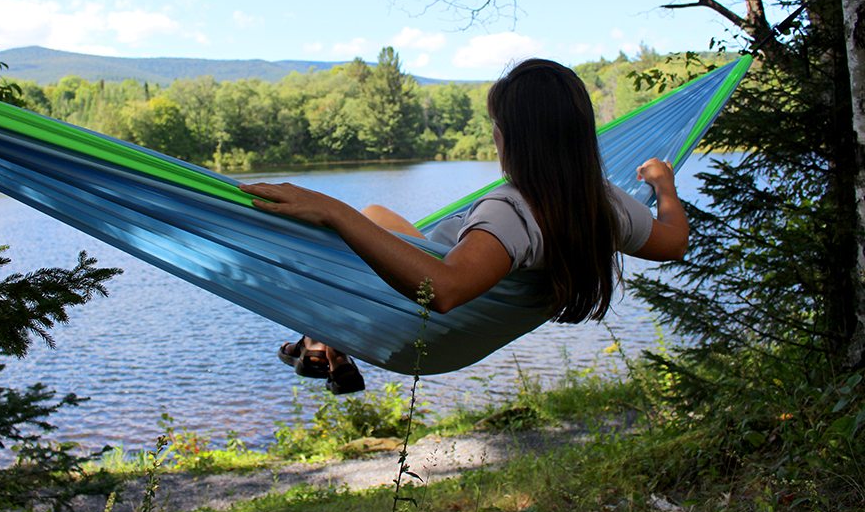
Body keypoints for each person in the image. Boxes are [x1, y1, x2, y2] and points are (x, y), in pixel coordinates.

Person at [239, 59, 689, 394]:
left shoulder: (510, 213)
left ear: (510, 138)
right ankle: (321, 341)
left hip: (412, 314)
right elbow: (672, 243)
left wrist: (333, 210)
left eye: (496, 127)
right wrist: (664, 187)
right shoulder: (605, 203)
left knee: (360, 220)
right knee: (377, 214)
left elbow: (445, 289)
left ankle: (320, 337)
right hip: (436, 300)